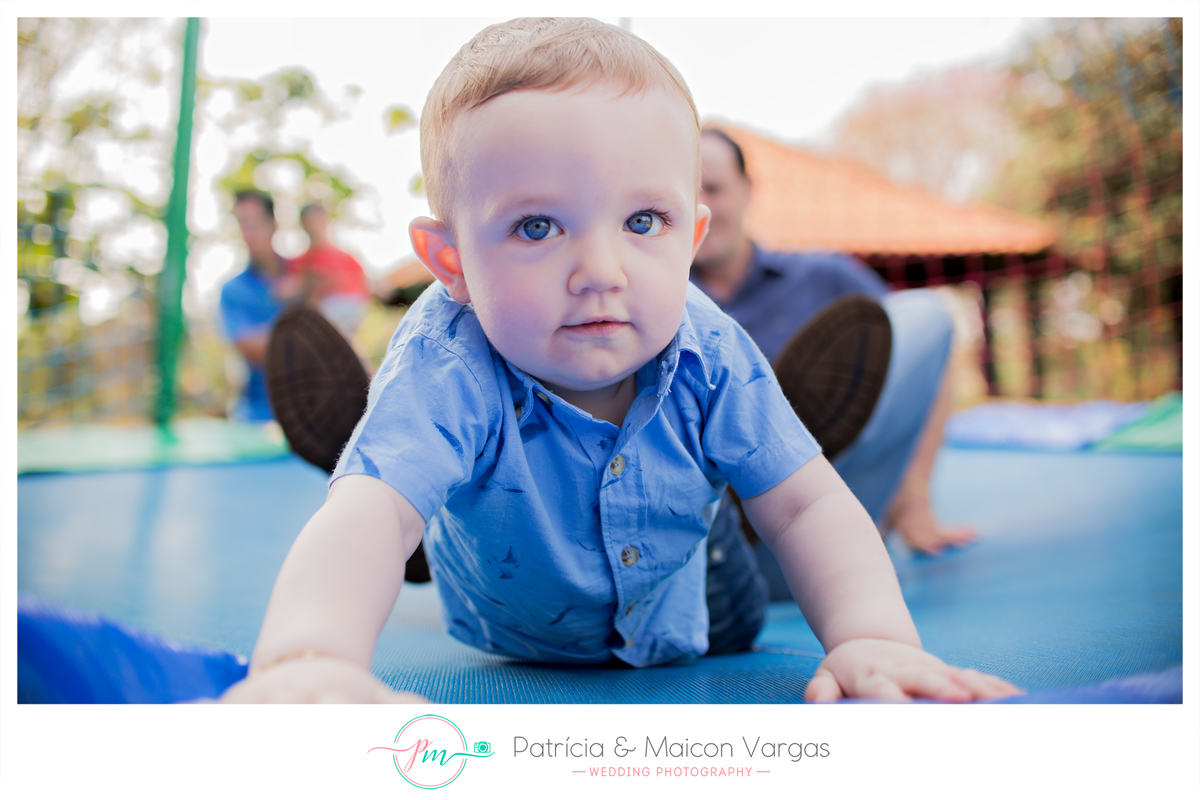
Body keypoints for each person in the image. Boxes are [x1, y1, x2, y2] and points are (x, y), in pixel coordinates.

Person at [221, 18, 1019, 704]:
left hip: (699, 603)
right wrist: (310, 657)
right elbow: (368, 513)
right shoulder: (447, 359)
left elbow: (807, 507)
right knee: (395, 482)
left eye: (643, 221)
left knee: (759, 493)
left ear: (690, 240)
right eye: (537, 228)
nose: (601, 270)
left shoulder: (709, 347)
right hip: (512, 624)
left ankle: (753, 445)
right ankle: (397, 448)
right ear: (451, 260)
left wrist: (874, 638)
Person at [691, 127, 978, 564]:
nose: (702, 207)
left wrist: (912, 496)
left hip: (833, 514)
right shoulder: (661, 303)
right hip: (720, 549)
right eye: (686, 192)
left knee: (927, 313)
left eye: (713, 189)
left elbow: (930, 361)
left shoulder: (824, 276)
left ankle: (803, 459)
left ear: (748, 189)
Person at [219, 189, 289, 421]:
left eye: (254, 223)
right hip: (257, 412)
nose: (249, 233)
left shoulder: (304, 273)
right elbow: (250, 349)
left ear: (273, 224)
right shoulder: (232, 290)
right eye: (242, 224)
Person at [282, 202, 372, 339]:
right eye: (309, 222)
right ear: (302, 224)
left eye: (317, 220)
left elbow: (365, 290)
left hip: (344, 319)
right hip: (313, 322)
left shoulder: (347, 258)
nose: (314, 226)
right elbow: (288, 292)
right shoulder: (299, 262)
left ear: (326, 220)